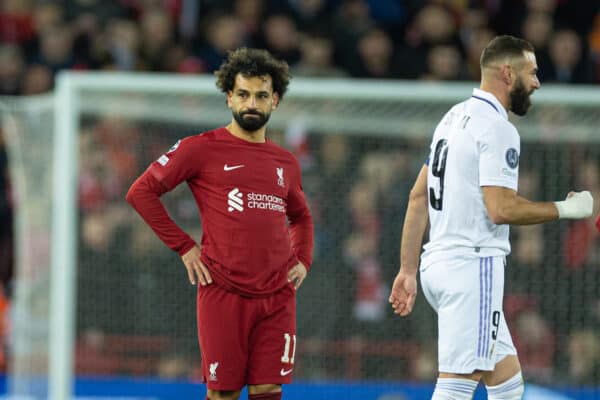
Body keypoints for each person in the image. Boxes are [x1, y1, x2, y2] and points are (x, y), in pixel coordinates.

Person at [388, 35, 593, 400]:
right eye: (532, 72)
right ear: (507, 73)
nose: (537, 83)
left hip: (438, 264)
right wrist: (566, 209)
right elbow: (500, 209)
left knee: (508, 382)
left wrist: (407, 269)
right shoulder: (499, 129)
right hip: (473, 265)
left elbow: (417, 196)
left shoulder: (452, 118)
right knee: (456, 386)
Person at [126, 48, 314, 400]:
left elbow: (301, 216)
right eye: (243, 94)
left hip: (277, 295)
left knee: (268, 389)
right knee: (223, 392)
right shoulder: (201, 148)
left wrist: (302, 259)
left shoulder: (286, 162)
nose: (251, 103)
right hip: (223, 289)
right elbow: (141, 192)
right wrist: (184, 247)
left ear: (275, 101)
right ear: (229, 97)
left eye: (261, 95)